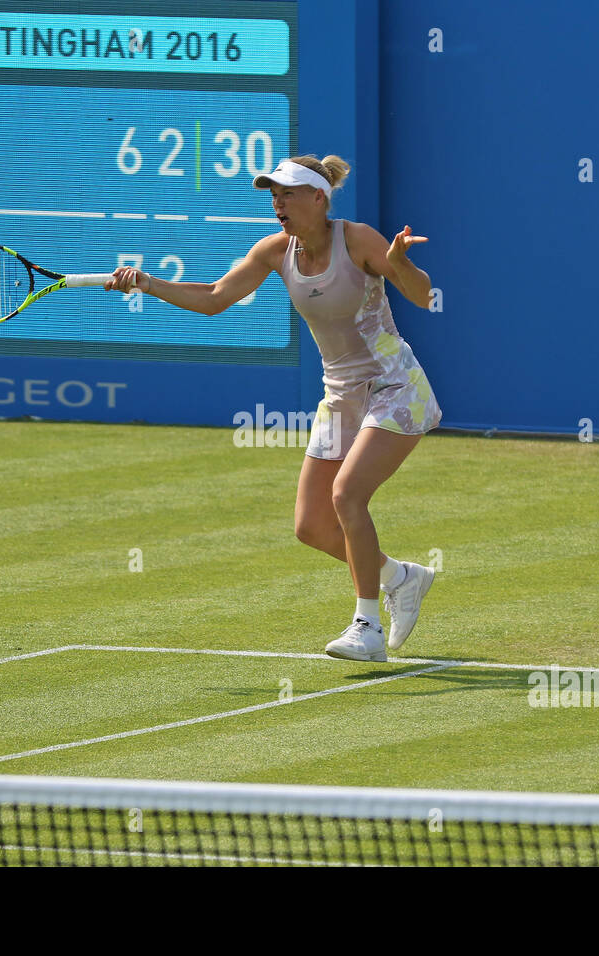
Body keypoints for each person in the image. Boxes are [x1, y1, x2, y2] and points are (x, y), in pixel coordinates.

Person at [105, 155, 443, 660]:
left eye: (286, 194)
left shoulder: (358, 241)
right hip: (341, 397)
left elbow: (423, 296)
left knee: (347, 495)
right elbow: (215, 297)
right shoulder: (274, 250)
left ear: (318, 199)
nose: (277, 203)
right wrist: (148, 284)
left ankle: (366, 626)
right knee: (311, 526)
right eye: (273, 194)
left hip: (395, 388)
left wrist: (399, 263)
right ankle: (400, 577)